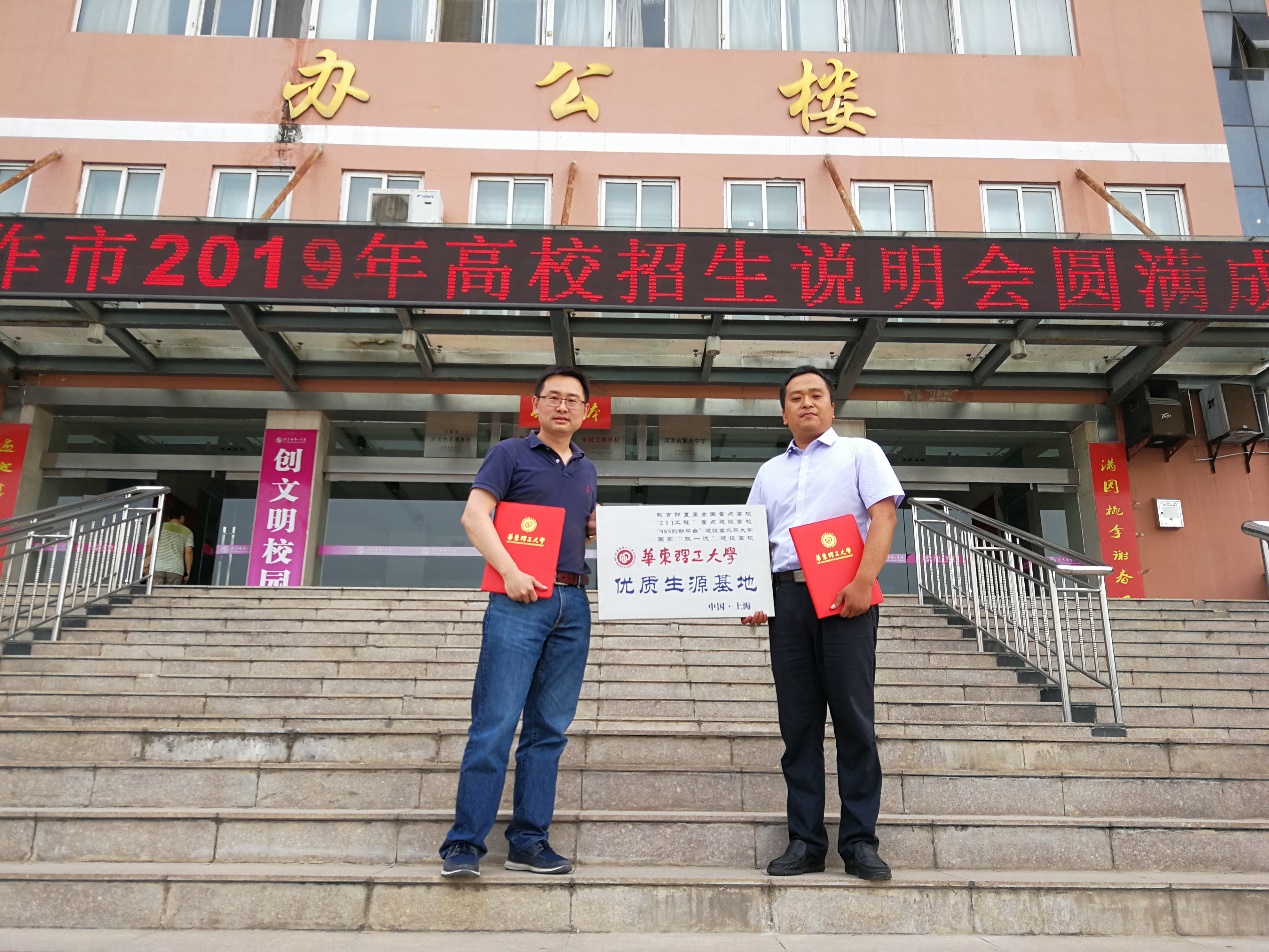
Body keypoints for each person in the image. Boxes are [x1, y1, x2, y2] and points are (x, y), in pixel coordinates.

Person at [742, 365, 904, 881]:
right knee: (798, 726)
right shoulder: (769, 471)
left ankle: (859, 843)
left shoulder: (861, 452)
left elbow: (884, 516)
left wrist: (863, 580)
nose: (806, 403)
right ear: (783, 412)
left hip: (844, 598)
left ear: (832, 407)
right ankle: (805, 842)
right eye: (796, 397)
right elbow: (752, 536)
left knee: (854, 722)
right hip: (787, 600)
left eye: (816, 395)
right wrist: (752, 592)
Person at [439, 364, 598, 879]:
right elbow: (474, 516)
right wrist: (509, 572)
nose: (562, 406)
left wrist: (596, 529)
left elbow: (576, 530)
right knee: (495, 723)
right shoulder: (509, 453)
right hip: (518, 602)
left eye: (573, 400)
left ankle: (529, 841)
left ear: (586, 411)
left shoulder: (587, 469)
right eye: (553, 397)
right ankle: (464, 843)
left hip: (573, 603)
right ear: (536, 405)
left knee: (548, 731)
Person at [151, 508, 193, 586]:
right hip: (176, 569)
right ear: (182, 517)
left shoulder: (159, 527)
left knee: (155, 591)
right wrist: (188, 571)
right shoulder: (188, 532)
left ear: (168, 517)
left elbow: (149, 544)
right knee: (170, 592)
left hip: (157, 566)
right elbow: (188, 551)